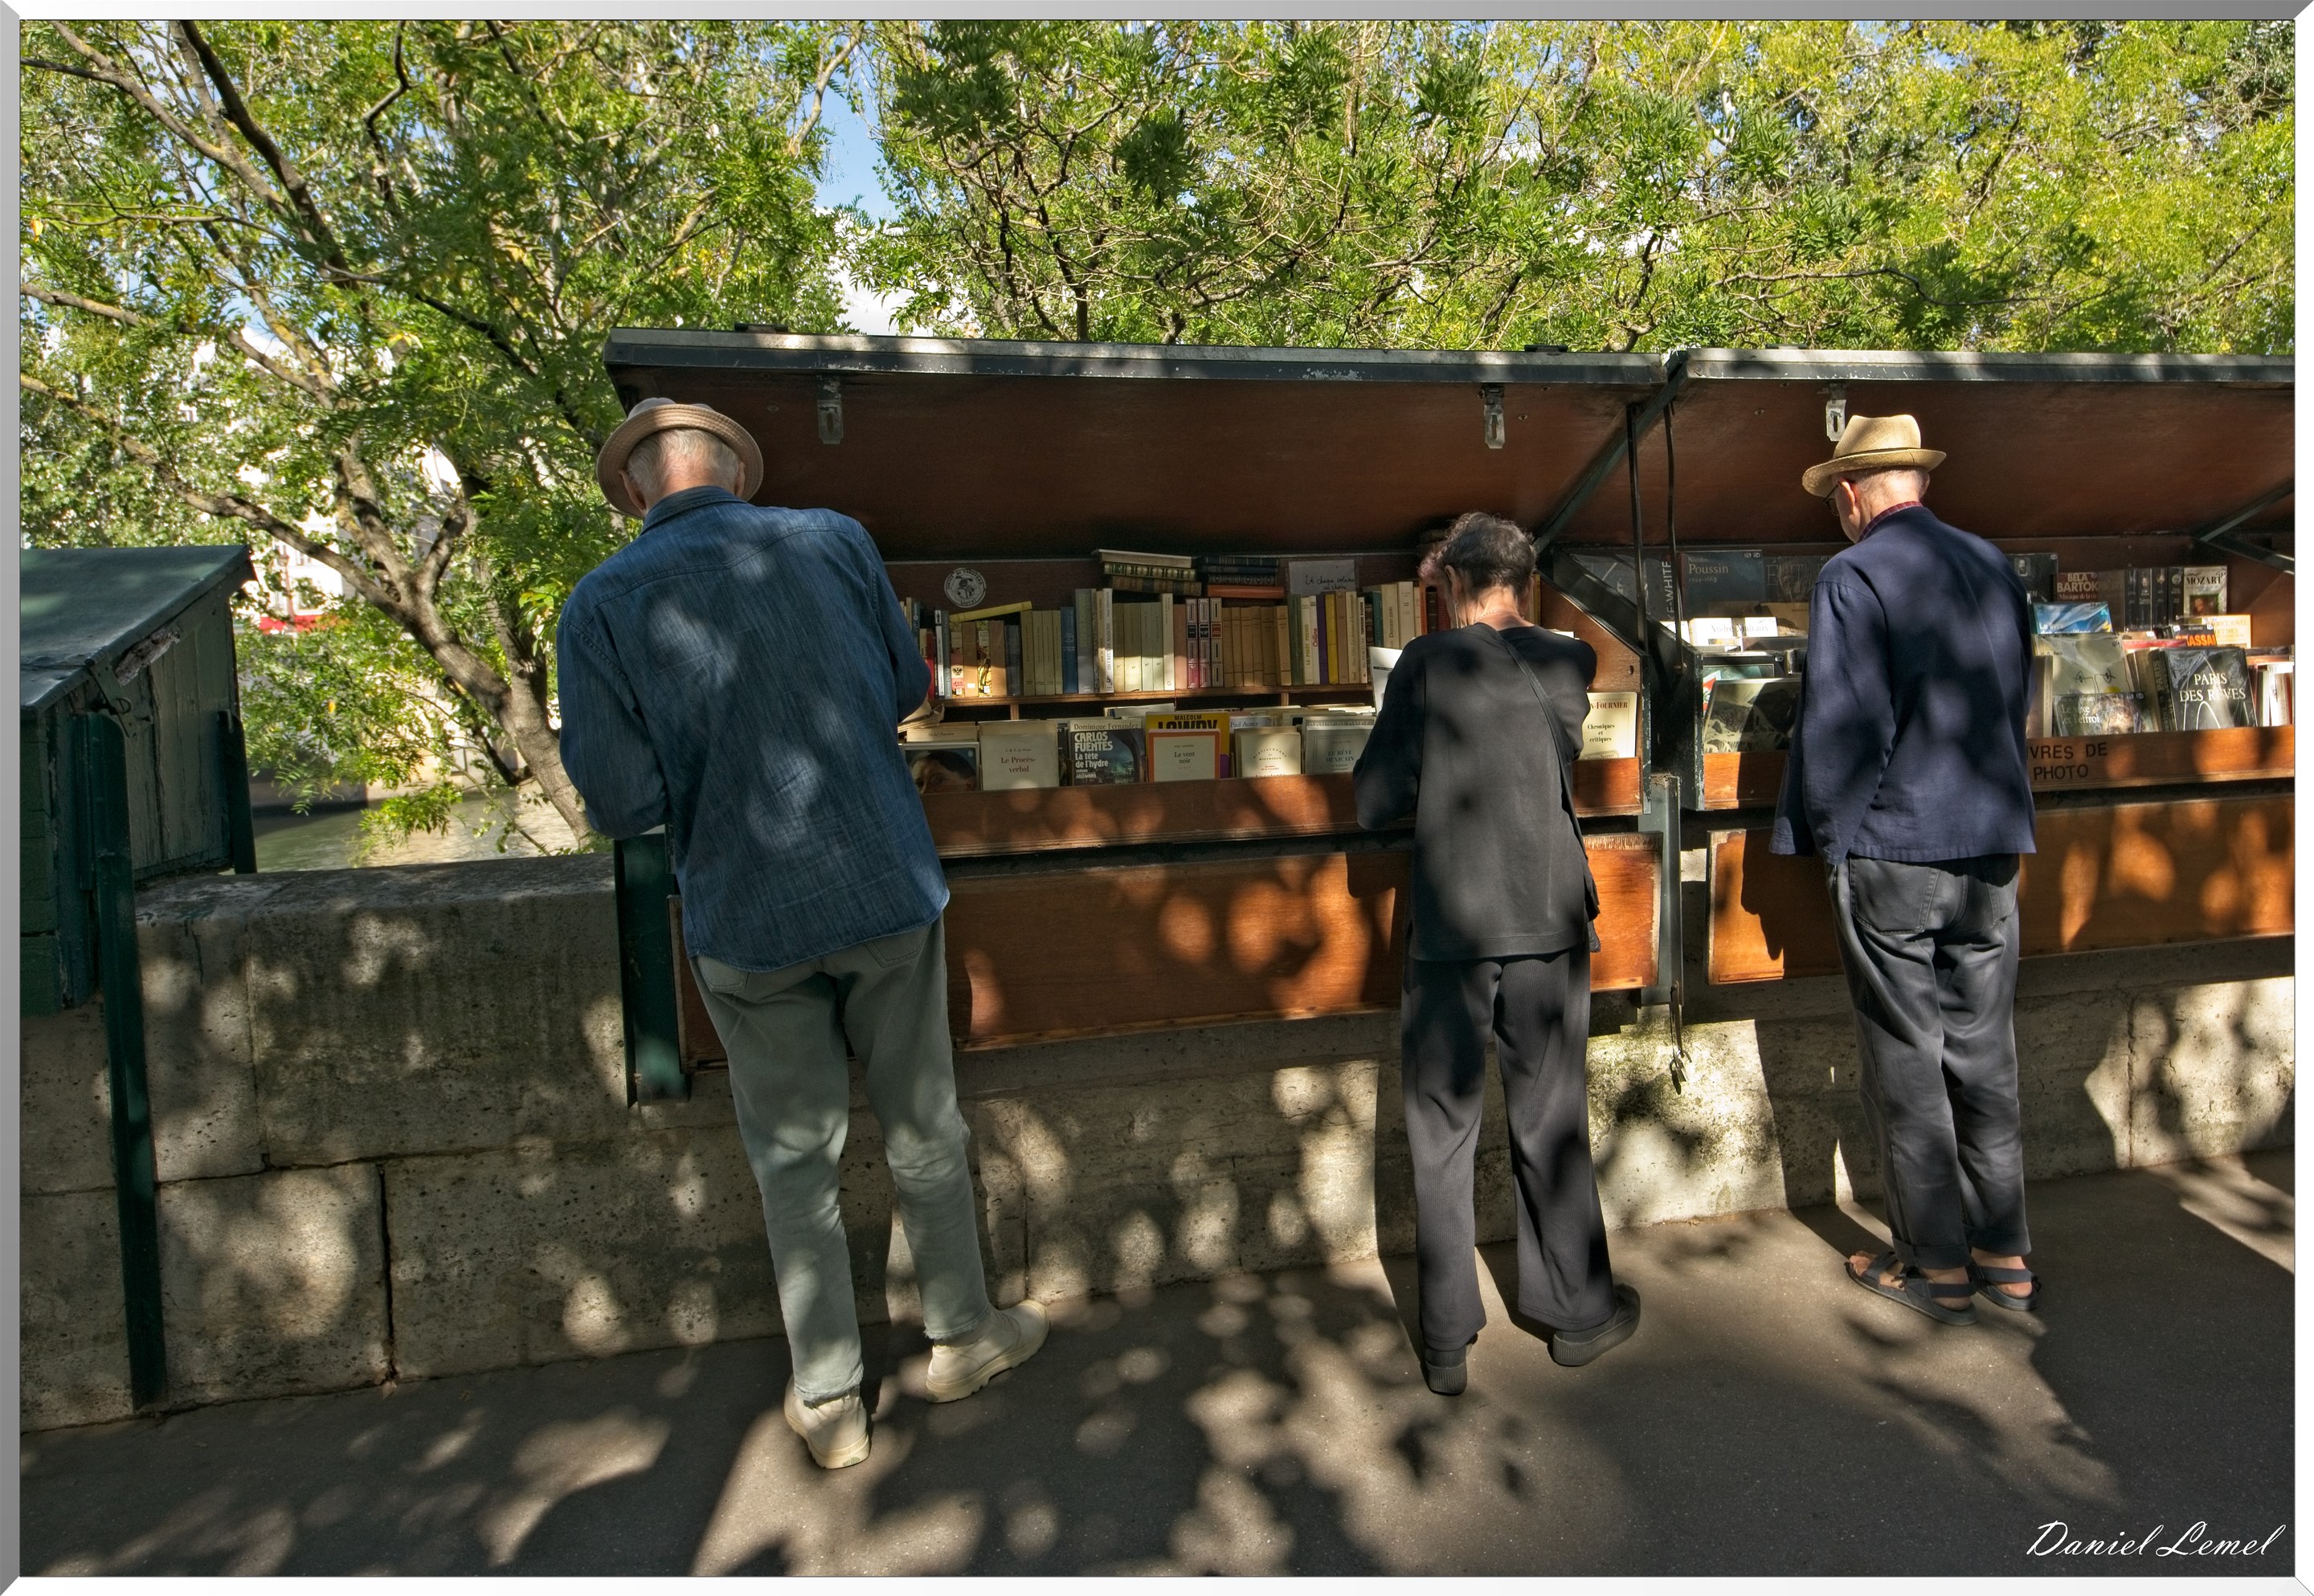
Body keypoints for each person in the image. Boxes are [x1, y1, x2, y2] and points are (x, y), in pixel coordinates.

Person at [556, 398, 1047, 1469]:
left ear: (638, 491)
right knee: (926, 1126)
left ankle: (829, 1399)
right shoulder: (833, 538)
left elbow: (622, 799)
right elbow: (908, 688)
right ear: (735, 472)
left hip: (745, 913)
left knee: (793, 1159)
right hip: (882, 884)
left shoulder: (596, 606)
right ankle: (962, 1333)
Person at [1354, 512, 1641, 1394]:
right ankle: (1578, 1315)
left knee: (1441, 1129)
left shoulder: (1425, 664)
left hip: (1450, 926)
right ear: (1528, 582)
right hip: (1548, 920)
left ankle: (1444, 1342)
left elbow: (1375, 797)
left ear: (1450, 587)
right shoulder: (1569, 660)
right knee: (1550, 1117)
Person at [1772, 413, 2042, 1325]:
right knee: (1984, 1050)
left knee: (1907, 1060)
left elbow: (1845, 730)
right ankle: (2006, 1254)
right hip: (1992, 845)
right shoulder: (1994, 564)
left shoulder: (1851, 575)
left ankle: (1936, 1265)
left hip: (1895, 847)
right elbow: (2017, 700)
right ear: (1917, 484)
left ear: (1852, 494)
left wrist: (1832, 843)